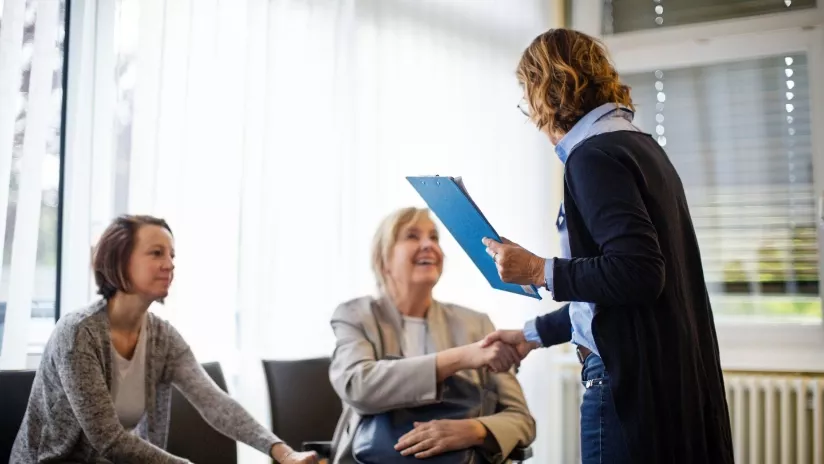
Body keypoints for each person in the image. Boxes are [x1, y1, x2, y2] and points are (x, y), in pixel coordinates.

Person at [480, 29, 735, 464]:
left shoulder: (592, 157)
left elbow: (638, 273)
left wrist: (538, 269)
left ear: (545, 92)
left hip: (624, 383)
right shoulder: (640, 147)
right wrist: (530, 336)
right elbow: (610, 294)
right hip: (667, 379)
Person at [11, 215, 317, 464]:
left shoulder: (162, 337)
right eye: (156, 253)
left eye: (172, 255)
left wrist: (281, 451)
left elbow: (215, 403)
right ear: (119, 260)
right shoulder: (78, 334)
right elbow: (107, 438)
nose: (170, 264)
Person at [328, 207, 536, 464]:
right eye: (412, 236)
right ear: (383, 260)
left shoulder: (476, 324)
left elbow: (521, 419)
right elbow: (357, 386)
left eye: (434, 237)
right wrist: (461, 357)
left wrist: (475, 430)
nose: (428, 245)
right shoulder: (355, 315)